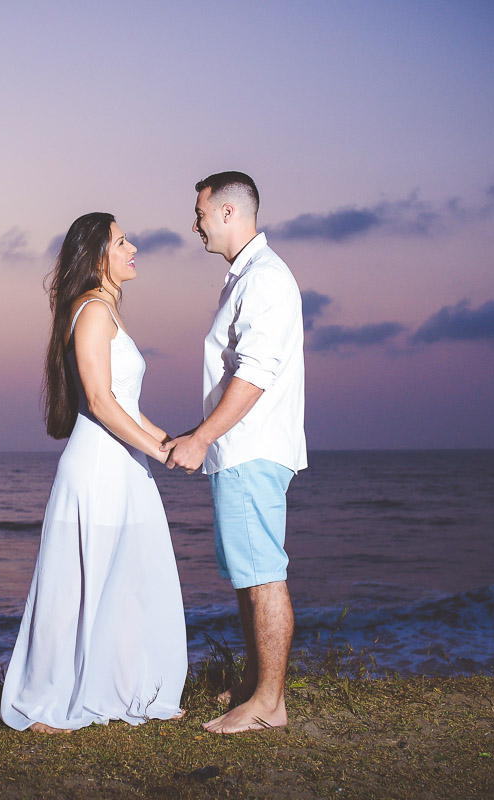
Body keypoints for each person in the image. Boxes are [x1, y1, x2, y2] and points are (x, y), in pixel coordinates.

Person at [0, 212, 187, 732]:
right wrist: (161, 451)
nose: (133, 248)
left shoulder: (106, 310)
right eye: (122, 241)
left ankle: (125, 689)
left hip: (124, 464)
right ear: (98, 255)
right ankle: (49, 700)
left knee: (126, 580)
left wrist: (174, 444)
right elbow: (101, 403)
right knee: (80, 586)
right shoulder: (93, 312)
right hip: (99, 467)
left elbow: (126, 404)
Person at [162, 172, 307, 734]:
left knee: (263, 574)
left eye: (200, 213)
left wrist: (202, 438)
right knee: (249, 573)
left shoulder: (264, 278)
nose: (194, 224)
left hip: (252, 448)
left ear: (228, 212)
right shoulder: (246, 277)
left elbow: (255, 374)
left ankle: (269, 705)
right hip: (241, 449)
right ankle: (255, 687)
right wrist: (202, 434)